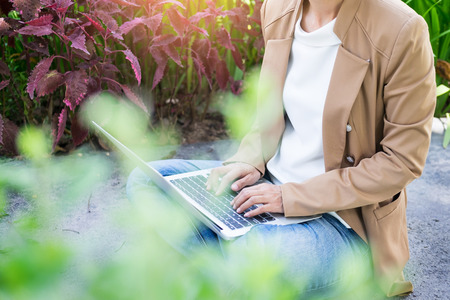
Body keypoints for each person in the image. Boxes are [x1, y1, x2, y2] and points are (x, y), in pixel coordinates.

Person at [127, 0, 436, 297]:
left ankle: (227, 269)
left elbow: (402, 161)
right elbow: (270, 114)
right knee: (149, 180)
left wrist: (289, 197)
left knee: (250, 261)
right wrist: (251, 159)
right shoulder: (278, 7)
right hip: (267, 187)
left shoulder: (402, 30)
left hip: (343, 219)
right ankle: (234, 272)